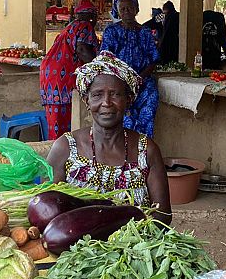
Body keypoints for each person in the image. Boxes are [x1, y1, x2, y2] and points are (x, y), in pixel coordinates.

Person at [47, 51, 171, 224]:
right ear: (86, 100)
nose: (106, 102)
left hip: (135, 247)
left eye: (115, 94)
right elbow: (49, 209)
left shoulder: (147, 150)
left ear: (128, 100)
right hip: (76, 247)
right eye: (97, 95)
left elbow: (163, 216)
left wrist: (127, 240)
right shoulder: (66, 148)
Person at [100, 0, 160, 137]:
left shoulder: (145, 32)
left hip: (143, 82)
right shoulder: (111, 31)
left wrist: (139, 79)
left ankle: (144, 150)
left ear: (136, 9)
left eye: (130, 8)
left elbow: (153, 58)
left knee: (148, 112)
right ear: (118, 11)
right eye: (123, 8)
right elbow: (105, 58)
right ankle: (125, 152)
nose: (126, 11)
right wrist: (123, 79)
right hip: (118, 82)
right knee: (124, 117)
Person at [40, 0, 100, 139]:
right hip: (61, 77)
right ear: (92, 16)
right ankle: (61, 154)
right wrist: (99, 66)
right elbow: (82, 50)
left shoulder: (70, 27)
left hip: (49, 76)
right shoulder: (85, 26)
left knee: (55, 120)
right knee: (64, 121)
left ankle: (55, 152)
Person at [201, 0, 226, 70]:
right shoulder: (218, 17)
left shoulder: (199, 16)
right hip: (215, 53)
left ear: (204, 2)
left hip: (200, 54)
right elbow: (223, 39)